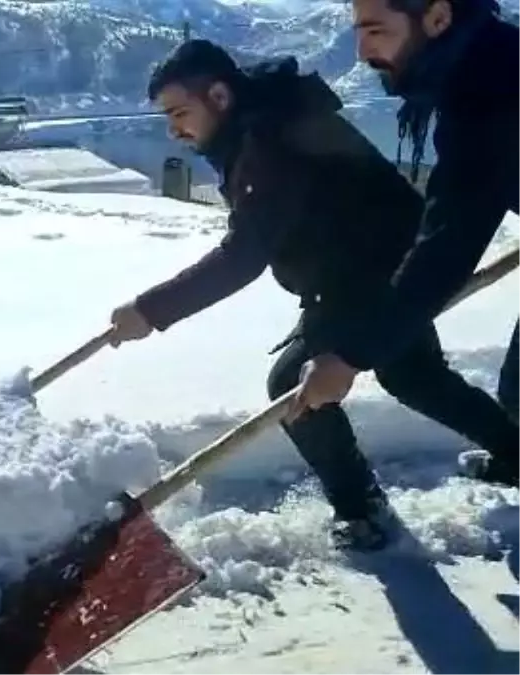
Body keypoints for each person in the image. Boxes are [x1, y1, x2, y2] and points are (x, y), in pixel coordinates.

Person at [104, 39, 520, 551]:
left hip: (367, 275)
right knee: (418, 379)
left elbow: (243, 256)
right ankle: (514, 455)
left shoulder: (267, 140)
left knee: (294, 389)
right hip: (369, 266)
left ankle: (360, 508)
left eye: (179, 112)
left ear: (218, 95)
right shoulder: (262, 120)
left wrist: (149, 310)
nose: (174, 129)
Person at [292, 0, 520, 486]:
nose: (361, 51)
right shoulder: (490, 62)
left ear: (438, 18)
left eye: (376, 31)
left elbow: (449, 240)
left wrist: (353, 355)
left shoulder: (490, 91)